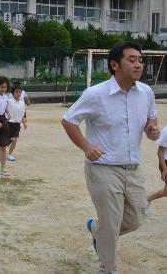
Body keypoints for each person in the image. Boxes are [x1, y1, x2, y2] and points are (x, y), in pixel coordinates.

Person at [61, 42, 159, 274]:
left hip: (133, 167)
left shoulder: (146, 92)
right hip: (103, 169)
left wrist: (151, 129)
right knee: (112, 223)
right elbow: (68, 120)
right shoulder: (95, 94)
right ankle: (108, 268)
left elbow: (151, 120)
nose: (138, 64)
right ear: (114, 64)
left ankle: (98, 231)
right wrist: (86, 146)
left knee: (135, 218)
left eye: (140, 60)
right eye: (132, 60)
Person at [7, 85, 27, 162]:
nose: (18, 94)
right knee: (7, 140)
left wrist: (24, 123)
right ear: (12, 93)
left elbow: (22, 113)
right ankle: (4, 148)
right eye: (16, 92)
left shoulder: (22, 103)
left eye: (20, 92)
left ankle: (9, 154)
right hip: (8, 123)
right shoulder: (8, 101)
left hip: (17, 124)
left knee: (14, 140)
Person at [147, 125, 167, 203]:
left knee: (165, 192)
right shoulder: (166, 131)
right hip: (166, 163)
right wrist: (164, 168)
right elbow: (160, 151)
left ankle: (146, 200)